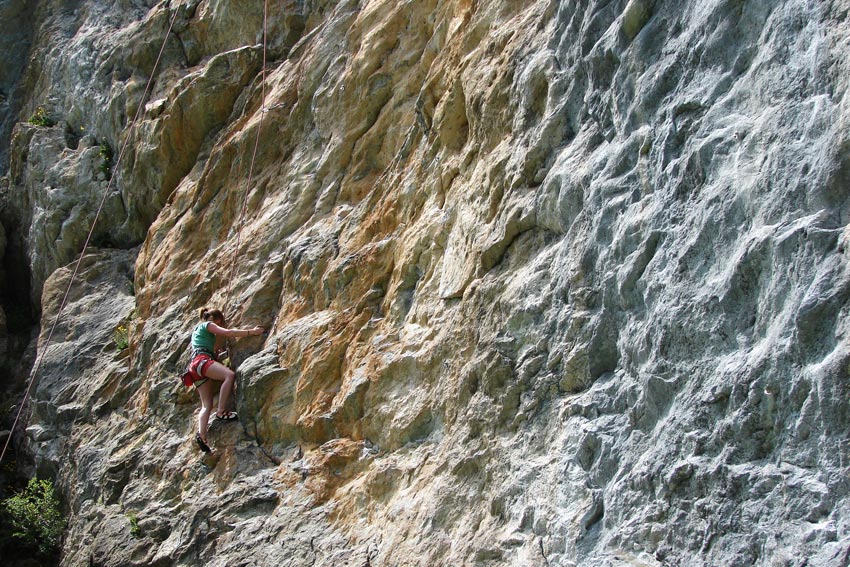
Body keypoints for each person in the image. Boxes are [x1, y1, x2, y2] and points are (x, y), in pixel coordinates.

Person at [189, 307, 263, 453]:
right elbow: (228, 333)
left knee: (206, 405)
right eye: (220, 324)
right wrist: (252, 332)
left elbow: (210, 349)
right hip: (202, 361)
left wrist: (218, 354)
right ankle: (221, 411)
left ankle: (202, 435)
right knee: (229, 375)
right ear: (218, 320)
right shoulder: (208, 325)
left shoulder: (197, 333)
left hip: (194, 367)